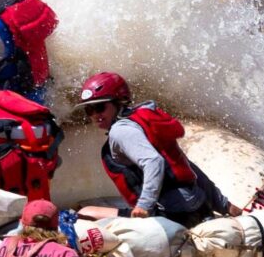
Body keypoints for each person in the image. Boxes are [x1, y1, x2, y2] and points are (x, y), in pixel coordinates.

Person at [76, 72, 242, 227]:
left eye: (100, 108)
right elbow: (187, 168)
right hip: (199, 207)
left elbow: (153, 161)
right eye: (89, 110)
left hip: (170, 215)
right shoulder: (144, 119)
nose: (95, 115)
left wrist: (143, 206)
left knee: (85, 213)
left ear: (118, 101)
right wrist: (224, 205)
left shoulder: (120, 131)